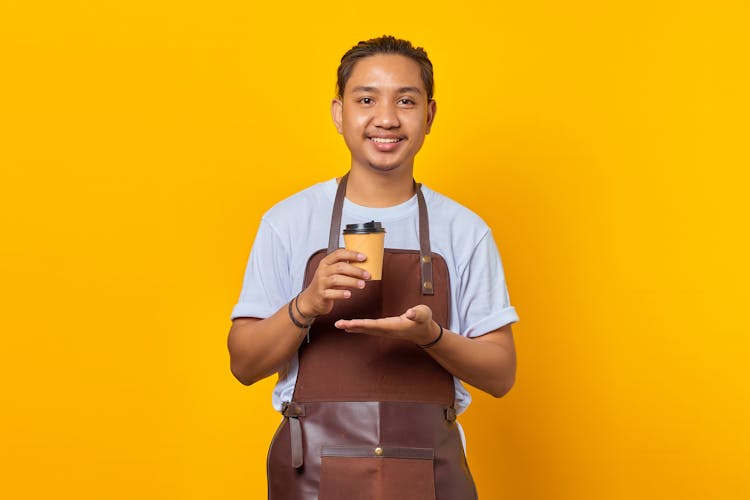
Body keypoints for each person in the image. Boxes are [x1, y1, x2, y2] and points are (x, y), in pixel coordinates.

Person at [228, 35, 519, 500]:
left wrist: (432, 338)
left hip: (431, 475)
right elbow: (243, 364)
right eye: (366, 99)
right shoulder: (287, 222)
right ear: (339, 113)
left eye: (406, 100)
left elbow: (502, 375)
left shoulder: (465, 230)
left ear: (429, 115)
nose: (386, 118)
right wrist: (305, 305)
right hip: (311, 479)